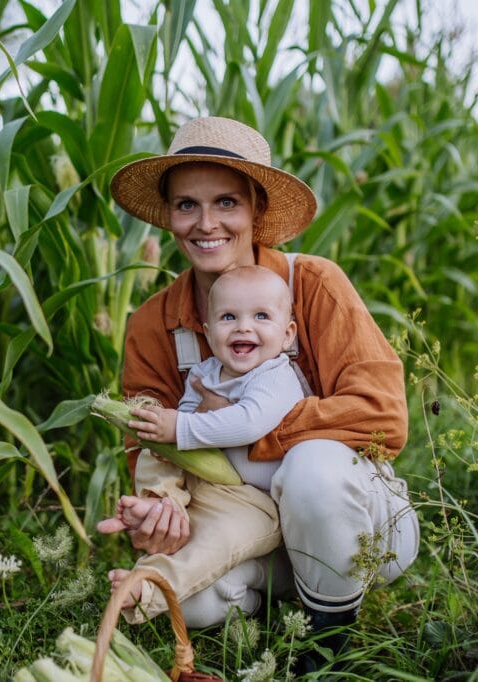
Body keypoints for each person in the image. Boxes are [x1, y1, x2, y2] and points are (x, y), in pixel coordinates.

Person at [100, 116, 420, 669]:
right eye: (186, 205)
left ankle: (326, 645)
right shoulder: (153, 325)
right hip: (246, 525)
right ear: (169, 216)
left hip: (359, 524)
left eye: (226, 203)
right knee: (192, 604)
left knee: (313, 465)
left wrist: (254, 430)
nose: (206, 224)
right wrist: (161, 508)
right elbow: (151, 445)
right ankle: (296, 600)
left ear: (255, 211)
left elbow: (382, 416)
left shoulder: (313, 284)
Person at [97, 265, 304, 626]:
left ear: (287, 335)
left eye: (260, 316)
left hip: (257, 504)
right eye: (228, 317)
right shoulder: (204, 373)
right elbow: (183, 444)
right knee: (156, 446)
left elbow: (248, 422)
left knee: (214, 541)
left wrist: (181, 425)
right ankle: (159, 503)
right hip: (208, 485)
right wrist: (171, 437)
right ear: (208, 333)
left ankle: (147, 587)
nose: (243, 326)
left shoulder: (276, 376)